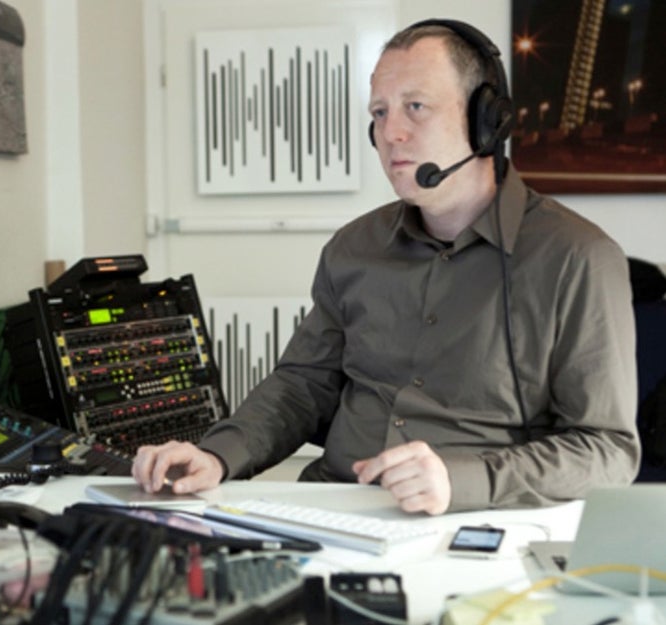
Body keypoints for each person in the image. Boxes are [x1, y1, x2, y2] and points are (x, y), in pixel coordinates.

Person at [131, 19, 640, 514]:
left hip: (476, 520)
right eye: (379, 112)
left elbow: (609, 450)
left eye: (415, 107)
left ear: (487, 121)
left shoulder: (578, 258)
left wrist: (463, 479)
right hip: (333, 507)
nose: (390, 133)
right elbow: (302, 386)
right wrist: (219, 454)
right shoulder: (354, 248)